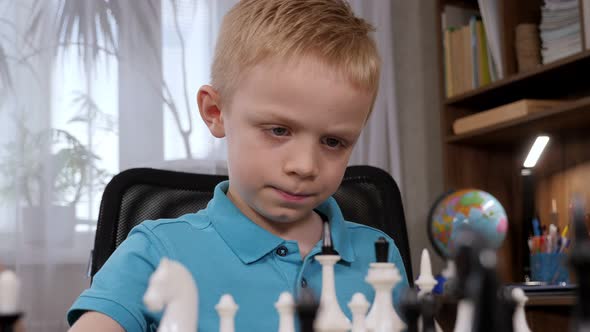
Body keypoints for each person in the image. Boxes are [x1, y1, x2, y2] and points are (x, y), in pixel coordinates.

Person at [67, 0, 408, 331]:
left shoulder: (379, 256)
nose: (305, 166)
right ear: (216, 112)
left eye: (333, 142)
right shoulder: (154, 252)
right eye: (278, 130)